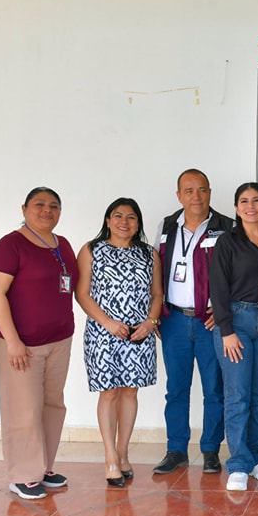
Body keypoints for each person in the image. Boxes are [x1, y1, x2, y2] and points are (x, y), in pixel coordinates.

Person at [0, 187, 78, 500]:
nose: (46, 210)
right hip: (23, 344)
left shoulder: (62, 244)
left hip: (59, 340)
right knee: (23, 409)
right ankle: (23, 475)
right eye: (39, 204)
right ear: (24, 209)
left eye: (54, 205)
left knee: (52, 405)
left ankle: (44, 467)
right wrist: (12, 341)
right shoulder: (11, 245)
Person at [75, 198, 162, 488]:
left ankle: (123, 453)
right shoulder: (91, 250)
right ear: (108, 220)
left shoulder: (149, 253)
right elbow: (82, 294)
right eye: (118, 216)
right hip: (103, 333)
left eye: (131, 217)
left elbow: (157, 294)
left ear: (138, 224)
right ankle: (110, 457)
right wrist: (108, 323)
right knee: (109, 392)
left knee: (130, 392)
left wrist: (150, 323)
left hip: (139, 333)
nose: (124, 222)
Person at [154, 169, 233, 475]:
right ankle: (176, 450)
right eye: (189, 191)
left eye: (201, 190)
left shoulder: (227, 227)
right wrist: (155, 311)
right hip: (174, 319)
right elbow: (156, 271)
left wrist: (222, 310)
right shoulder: (166, 226)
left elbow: (237, 273)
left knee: (214, 389)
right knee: (176, 388)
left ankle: (210, 450)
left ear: (210, 192)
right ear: (179, 196)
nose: (196, 196)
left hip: (209, 322)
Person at [210, 183, 258, 492]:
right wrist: (226, 330)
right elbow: (218, 286)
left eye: (257, 200)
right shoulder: (227, 241)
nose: (251, 206)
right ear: (237, 208)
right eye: (244, 201)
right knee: (237, 396)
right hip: (237, 322)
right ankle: (238, 463)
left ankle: (254, 457)